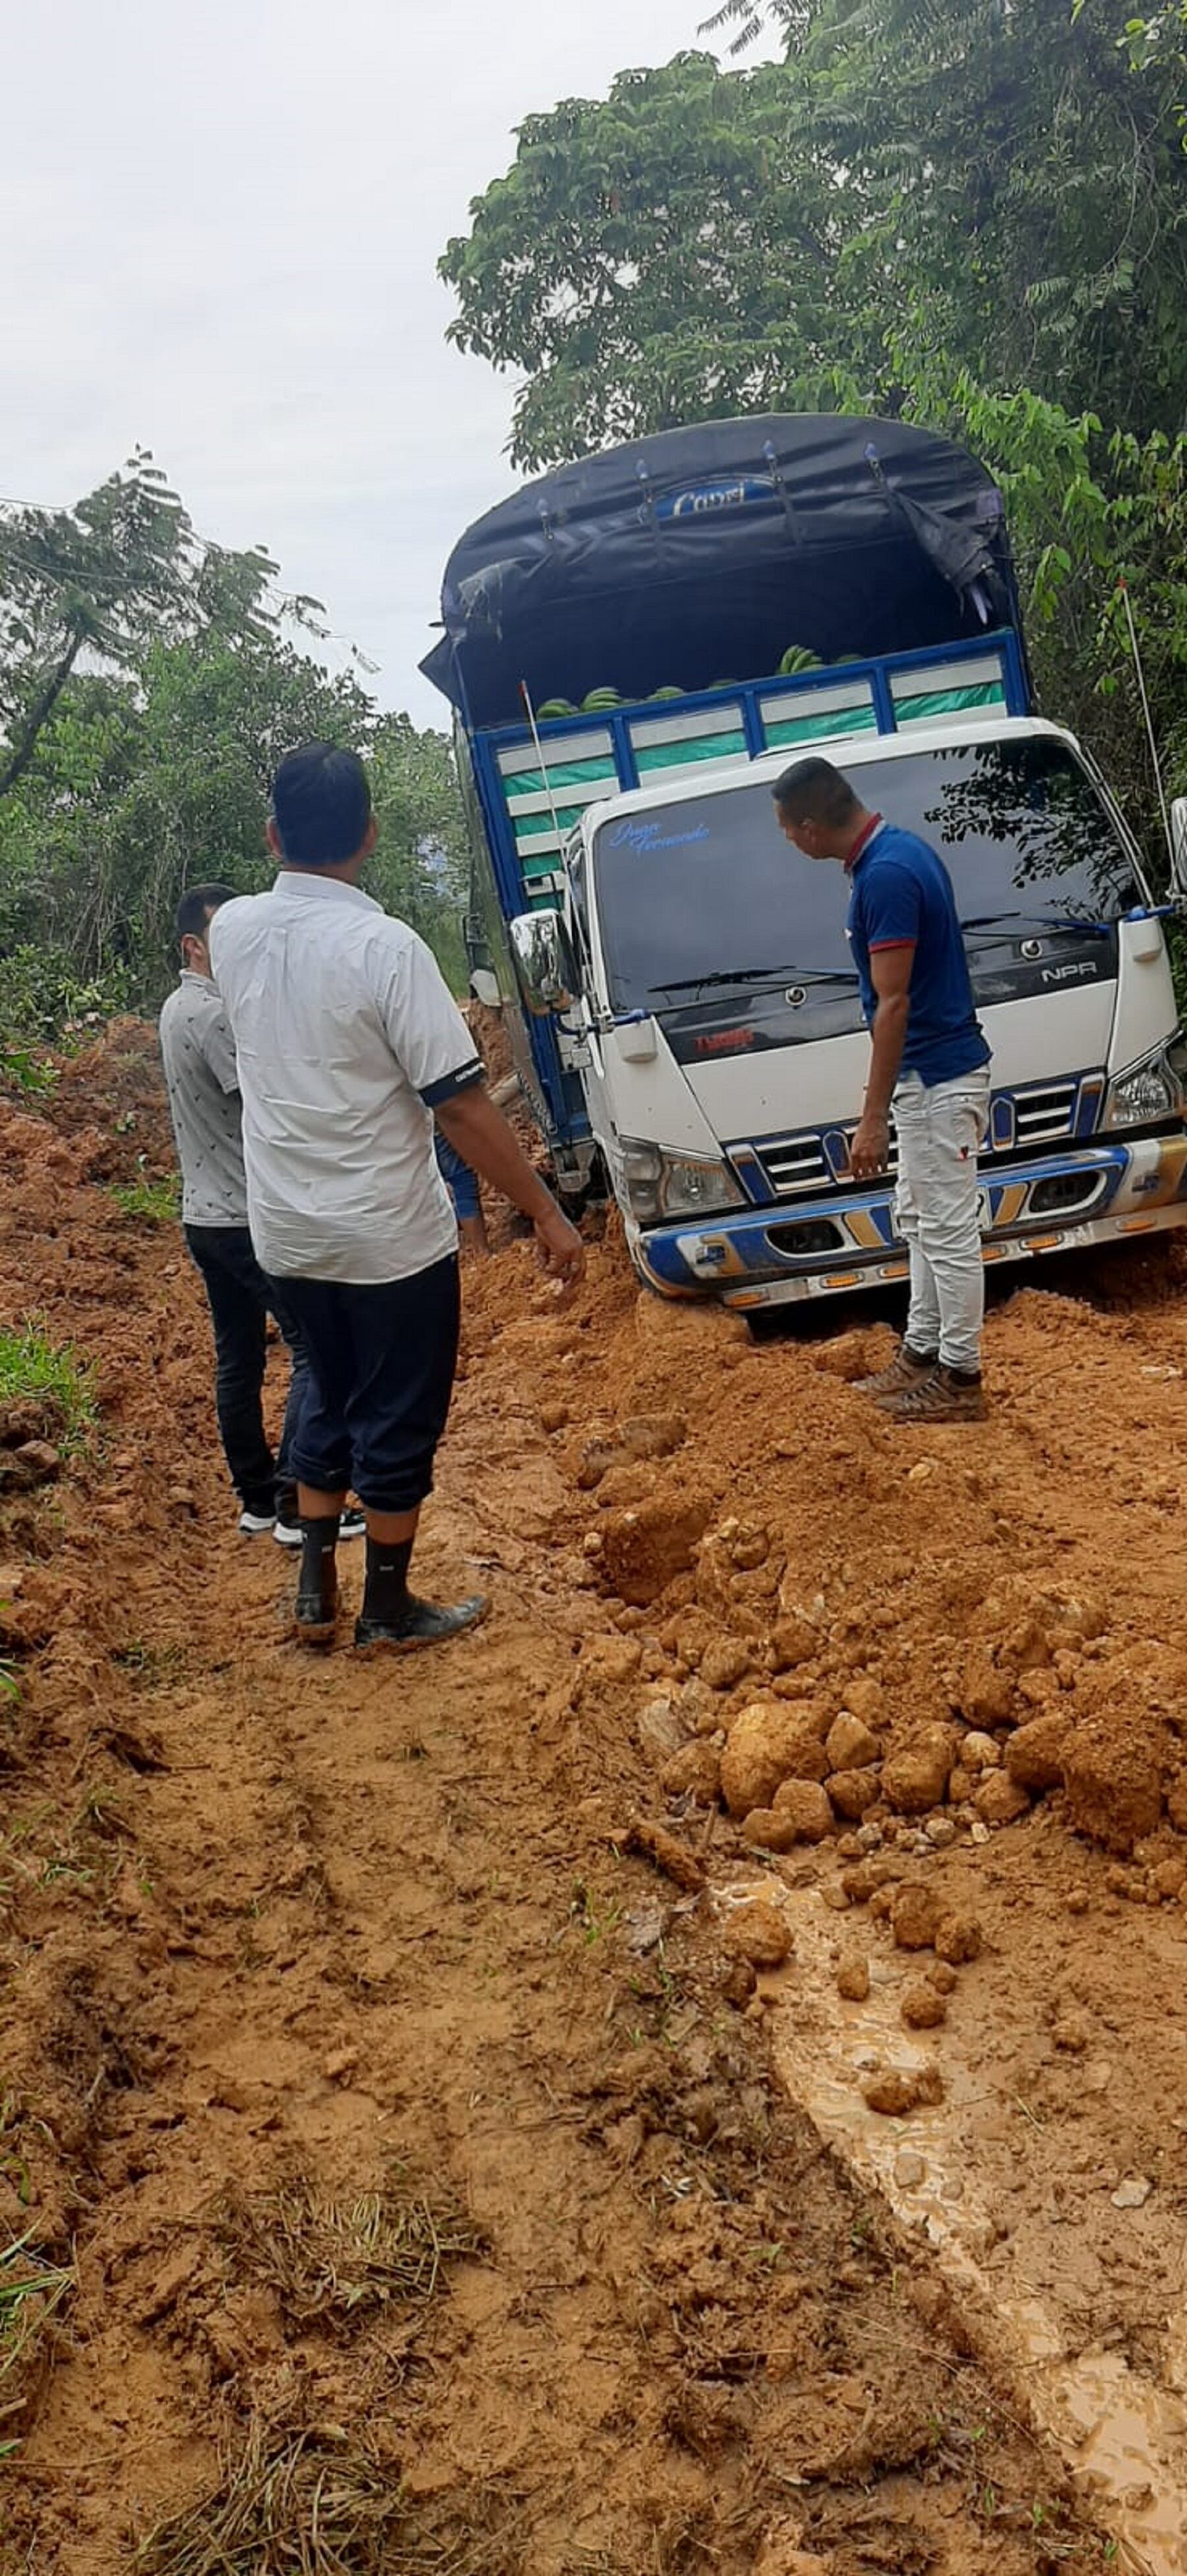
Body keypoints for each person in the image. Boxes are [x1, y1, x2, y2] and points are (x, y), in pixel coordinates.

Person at [209, 743, 586, 1654]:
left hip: (287, 1231)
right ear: (371, 835)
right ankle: (385, 1607)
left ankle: (313, 1594)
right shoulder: (387, 949)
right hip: (388, 1237)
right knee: (396, 1412)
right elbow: (457, 1101)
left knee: (325, 1390)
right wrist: (542, 1208)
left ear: (271, 834)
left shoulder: (231, 932)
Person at [772, 756, 992, 1423]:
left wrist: (872, 1119)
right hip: (927, 1079)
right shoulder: (889, 860)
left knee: (948, 1231)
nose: (788, 841)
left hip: (936, 1077)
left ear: (812, 827)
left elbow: (892, 1004)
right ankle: (922, 1356)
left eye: (787, 829)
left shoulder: (888, 875)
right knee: (923, 1223)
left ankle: (961, 1377)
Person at [158, 884, 365, 1543]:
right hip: (244, 1216)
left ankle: (256, 1498)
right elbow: (267, 1104)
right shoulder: (212, 1017)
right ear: (194, 946)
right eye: (225, 938)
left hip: (205, 1214)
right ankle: (295, 1503)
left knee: (239, 1358)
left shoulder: (175, 1009)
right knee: (313, 1349)